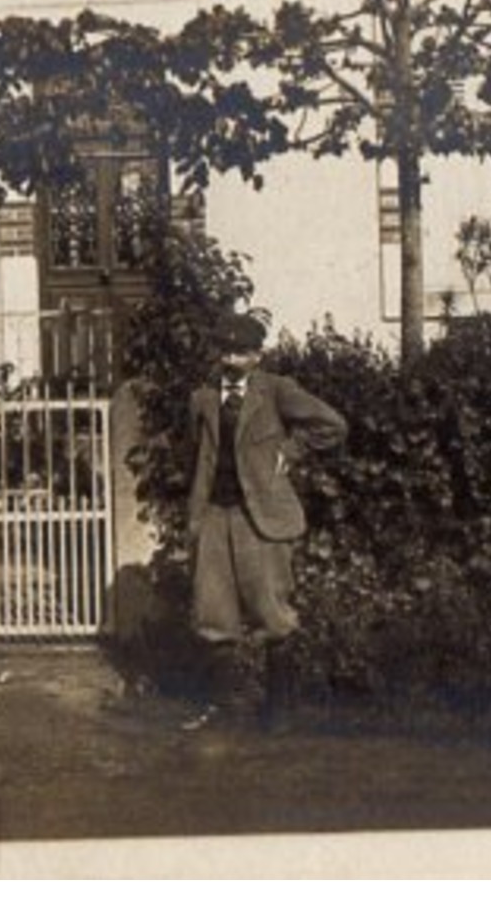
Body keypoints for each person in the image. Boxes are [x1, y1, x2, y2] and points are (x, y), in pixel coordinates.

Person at [183, 311, 347, 731]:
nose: (230, 359)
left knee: (273, 613)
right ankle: (224, 710)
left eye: (240, 351)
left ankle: (280, 712)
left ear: (257, 355)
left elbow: (332, 425)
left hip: (263, 519)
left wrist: (289, 452)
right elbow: (198, 457)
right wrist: (196, 518)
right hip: (215, 516)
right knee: (213, 614)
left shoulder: (276, 392)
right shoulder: (202, 397)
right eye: (225, 349)